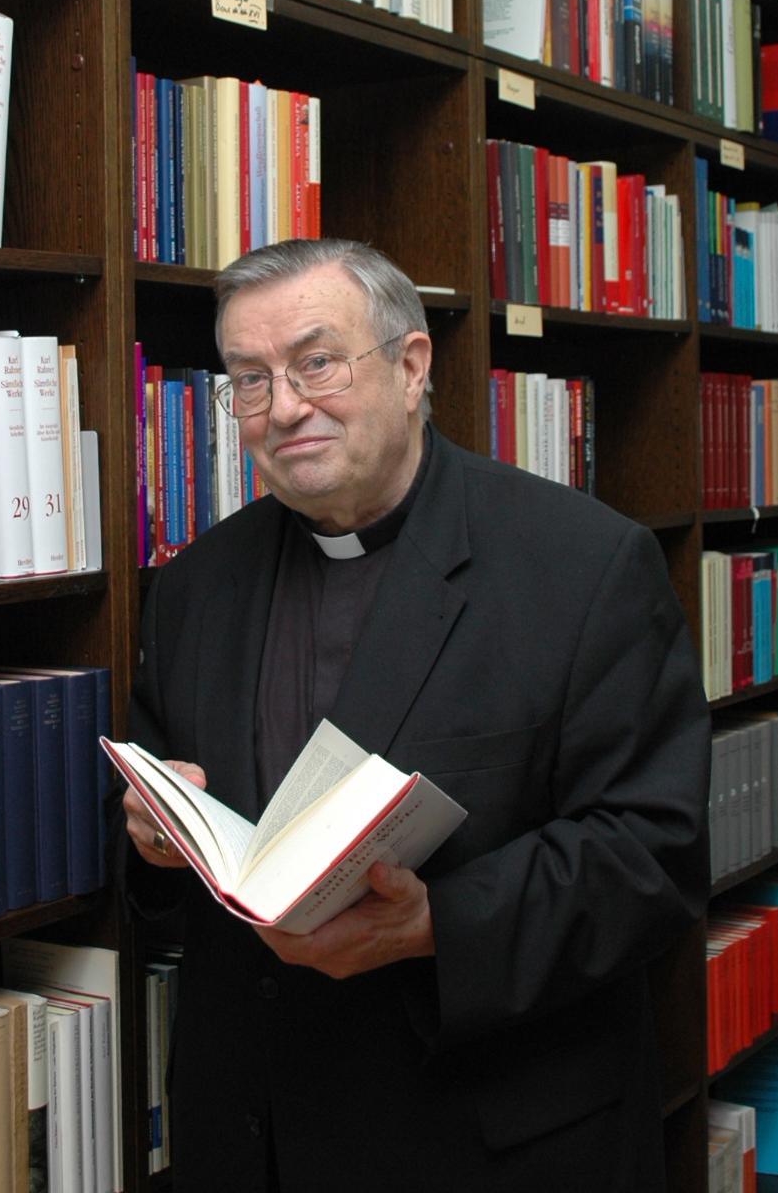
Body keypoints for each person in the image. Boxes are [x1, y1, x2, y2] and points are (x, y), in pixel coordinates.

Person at [123, 238, 708, 1192]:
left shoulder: (583, 566)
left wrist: (439, 923)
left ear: (409, 364)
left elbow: (652, 855)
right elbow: (164, 838)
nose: (286, 407)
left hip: (478, 1136)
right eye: (250, 380)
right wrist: (154, 837)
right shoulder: (195, 584)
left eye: (316, 361)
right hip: (252, 1134)